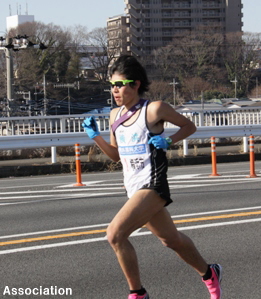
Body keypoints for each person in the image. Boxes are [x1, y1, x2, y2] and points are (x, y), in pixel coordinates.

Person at [82, 55, 222, 299]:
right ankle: (210, 273)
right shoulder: (115, 116)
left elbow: (189, 126)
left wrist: (168, 140)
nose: (115, 90)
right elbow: (116, 156)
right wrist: (96, 137)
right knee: (171, 240)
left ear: (135, 84)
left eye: (120, 84)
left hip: (153, 184)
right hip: (133, 187)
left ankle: (138, 294)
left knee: (115, 235)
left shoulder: (154, 109)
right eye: (112, 86)